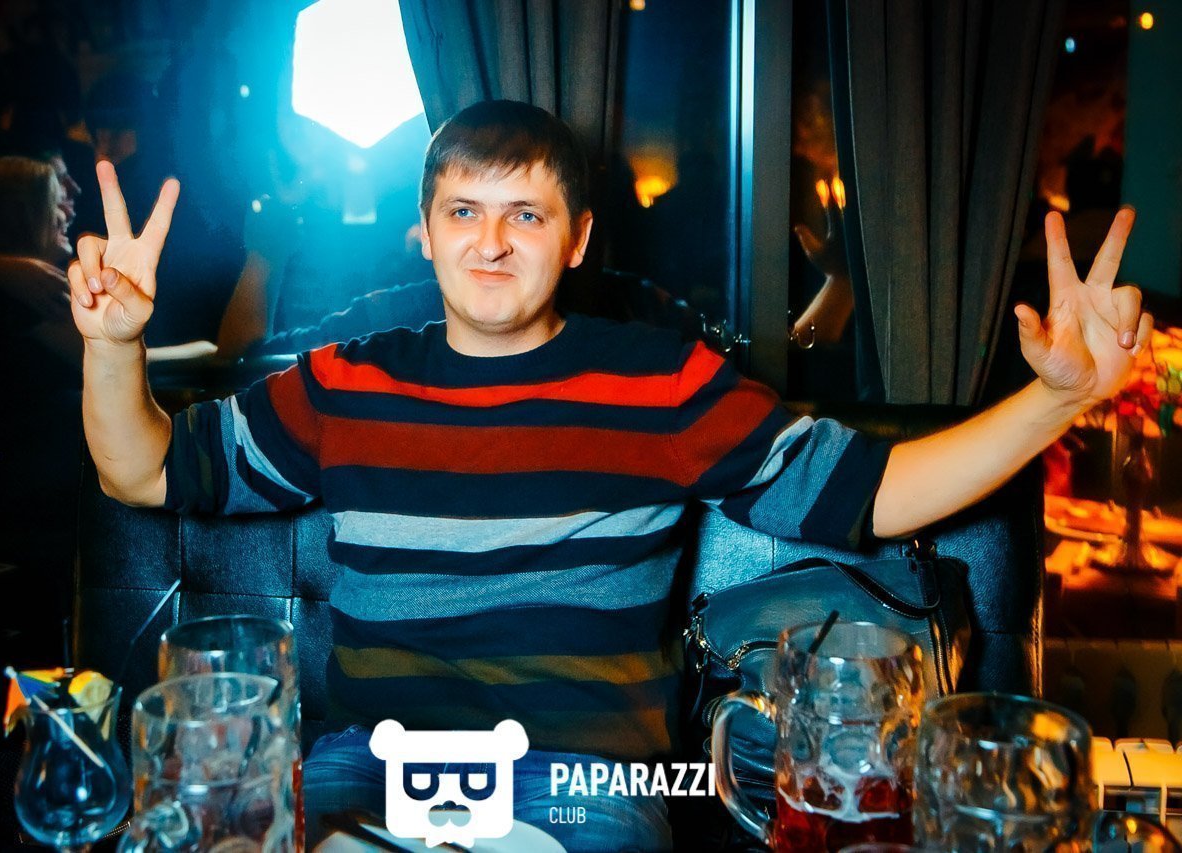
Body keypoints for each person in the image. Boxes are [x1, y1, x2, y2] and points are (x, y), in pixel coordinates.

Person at [67, 101, 1149, 851]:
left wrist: (1058, 398)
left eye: (525, 215)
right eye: (463, 212)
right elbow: (139, 472)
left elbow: (876, 495)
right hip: (371, 769)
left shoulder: (664, 382)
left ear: (576, 238)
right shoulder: (342, 383)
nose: (491, 243)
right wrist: (114, 345)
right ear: (424, 234)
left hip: (584, 786)